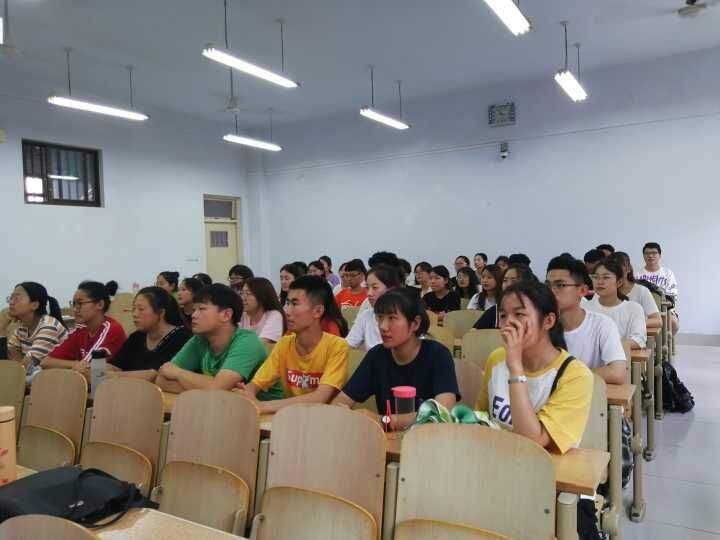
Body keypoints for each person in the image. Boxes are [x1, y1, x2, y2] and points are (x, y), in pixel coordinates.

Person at [476, 280, 593, 455]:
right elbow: (481, 418)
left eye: (519, 314)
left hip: (546, 467)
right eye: (503, 315)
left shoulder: (575, 375)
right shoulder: (497, 358)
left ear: (548, 321)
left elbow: (532, 441)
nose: (508, 323)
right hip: (498, 459)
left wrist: (516, 369)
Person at [334, 288, 460, 428]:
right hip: (387, 439)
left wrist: (385, 421)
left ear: (415, 323)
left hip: (428, 437)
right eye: (380, 317)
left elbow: (442, 412)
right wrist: (342, 410)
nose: (383, 326)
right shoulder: (376, 355)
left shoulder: (438, 354)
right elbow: (343, 399)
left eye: (392, 318)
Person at [234, 276, 350, 413]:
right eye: (287, 303)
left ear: (318, 311)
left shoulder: (337, 346)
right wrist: (246, 393)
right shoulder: (284, 344)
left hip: (323, 419)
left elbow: (320, 398)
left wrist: (262, 406)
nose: (287, 311)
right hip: (290, 418)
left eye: (294, 304)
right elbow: (256, 384)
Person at [156, 284, 283, 397]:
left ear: (226, 315)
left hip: (265, 412)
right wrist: (211, 388)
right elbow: (162, 380)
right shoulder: (200, 338)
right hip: (223, 406)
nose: (194, 315)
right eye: (194, 310)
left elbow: (216, 388)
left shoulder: (247, 342)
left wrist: (178, 373)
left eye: (202, 309)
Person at [546, 256, 626, 384]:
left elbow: (617, 373)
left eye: (560, 285)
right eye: (548, 285)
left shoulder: (602, 324)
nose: (551, 291)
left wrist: (566, 375)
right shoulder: (539, 326)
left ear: (582, 290)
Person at [107, 287, 191, 380]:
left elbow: (153, 374)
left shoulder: (182, 337)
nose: (135, 314)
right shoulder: (136, 337)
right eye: (134, 309)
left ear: (161, 312)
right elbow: (115, 365)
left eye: (141, 309)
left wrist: (112, 376)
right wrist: (99, 371)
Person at [44, 281, 127, 371]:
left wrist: (75, 365)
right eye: (74, 304)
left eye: (80, 303)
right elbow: (46, 362)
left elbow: (87, 368)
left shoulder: (111, 329)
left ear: (100, 304)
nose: (75, 309)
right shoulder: (81, 329)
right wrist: (75, 363)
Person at [6, 282, 68, 381]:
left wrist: (19, 365)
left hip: (59, 381)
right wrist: (4, 324)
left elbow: (25, 366)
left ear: (34, 305)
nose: (11, 302)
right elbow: (11, 357)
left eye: (16, 298)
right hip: (38, 380)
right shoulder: (22, 327)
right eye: (11, 298)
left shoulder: (49, 326)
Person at [585, 259, 646, 349]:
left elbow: (638, 340)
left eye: (606, 277)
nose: (600, 282)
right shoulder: (584, 309)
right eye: (596, 277)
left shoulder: (634, 309)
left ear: (619, 282)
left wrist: (606, 346)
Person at [346, 264, 402, 351]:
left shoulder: (404, 316)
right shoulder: (366, 315)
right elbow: (347, 344)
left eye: (375, 287)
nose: (369, 293)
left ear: (391, 289)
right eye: (367, 288)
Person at [635, 242, 679, 334]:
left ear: (660, 255)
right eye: (647, 253)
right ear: (643, 256)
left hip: (665, 309)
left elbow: (672, 296)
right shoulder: (637, 274)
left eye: (654, 253)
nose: (650, 256)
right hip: (643, 311)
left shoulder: (668, 273)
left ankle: (668, 342)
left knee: (673, 322)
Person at [474, 264, 537, 329]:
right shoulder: (495, 311)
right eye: (505, 280)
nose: (508, 284)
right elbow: (474, 332)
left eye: (514, 281)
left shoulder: (536, 310)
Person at [610, 252, 661, 327]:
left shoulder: (641, 291)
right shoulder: (605, 291)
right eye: (611, 270)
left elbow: (657, 320)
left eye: (618, 269)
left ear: (628, 269)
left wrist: (634, 324)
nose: (615, 273)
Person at [239, 277, 286, 344]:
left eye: (248, 293)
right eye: (242, 293)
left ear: (262, 296)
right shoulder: (242, 315)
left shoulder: (274, 315)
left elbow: (260, 345)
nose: (243, 298)